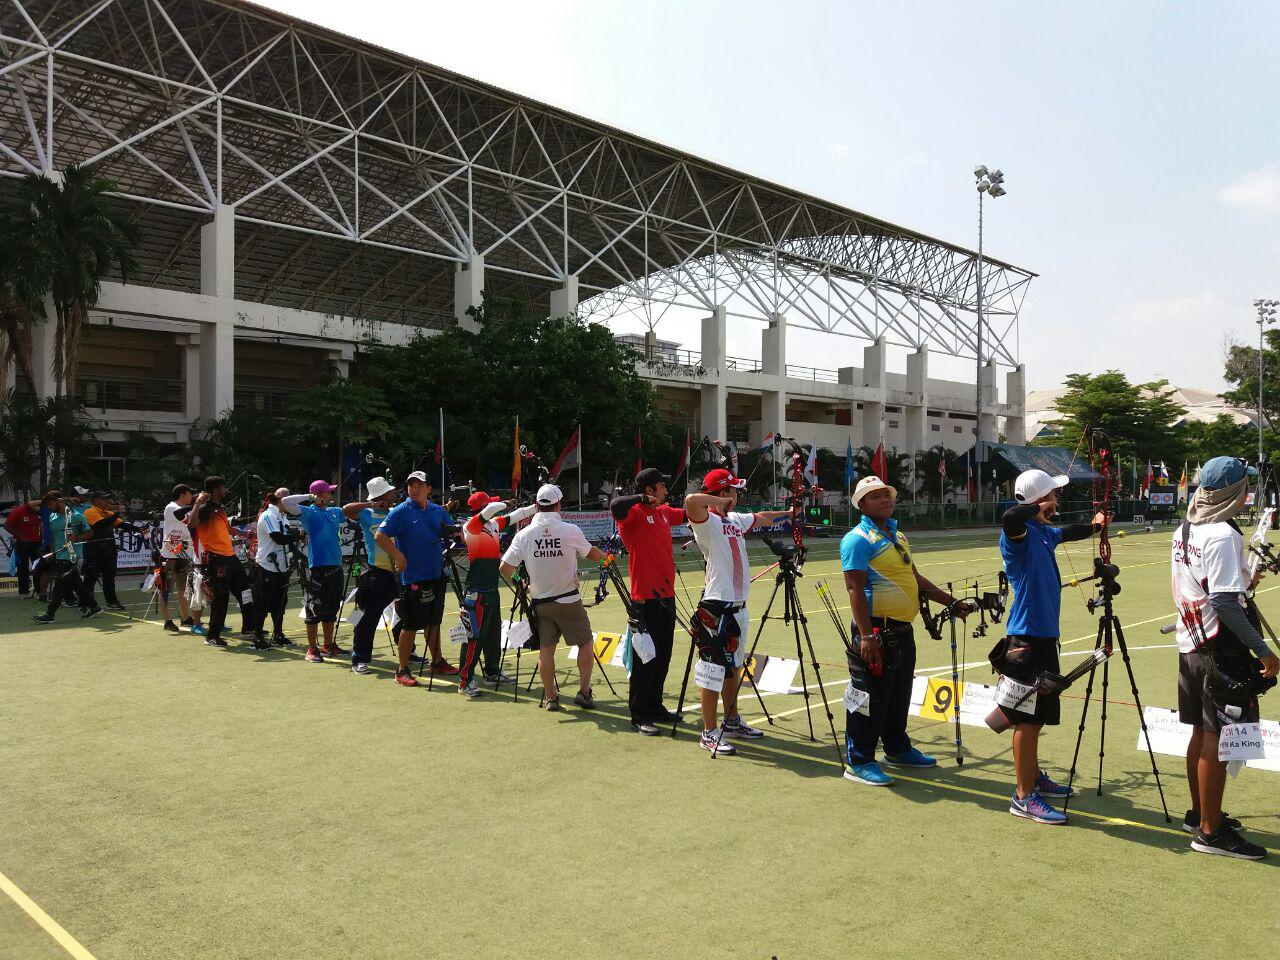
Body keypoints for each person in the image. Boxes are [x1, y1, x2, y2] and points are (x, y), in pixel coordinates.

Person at [1171, 456, 1277, 860]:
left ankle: (1200, 814)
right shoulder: (1222, 535)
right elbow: (1224, 603)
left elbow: (1204, 584)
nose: (1249, 492)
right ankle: (1210, 832)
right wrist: (1263, 649)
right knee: (1216, 739)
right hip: (1219, 649)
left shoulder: (1186, 527)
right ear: (1234, 492)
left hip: (1191, 646)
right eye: (1245, 486)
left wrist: (1245, 581)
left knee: (1200, 731)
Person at [840, 475, 973, 785]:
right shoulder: (857, 539)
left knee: (898, 696)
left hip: (902, 630)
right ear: (862, 504)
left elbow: (915, 580)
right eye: (875, 497)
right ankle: (859, 760)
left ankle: (897, 749)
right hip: (875, 631)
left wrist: (951, 602)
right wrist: (867, 635)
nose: (884, 500)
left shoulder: (897, 536)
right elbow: (854, 590)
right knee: (868, 697)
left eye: (886, 494)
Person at [996, 468, 1103, 825]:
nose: (1057, 502)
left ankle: (1034, 776)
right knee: (1026, 720)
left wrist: (1095, 526)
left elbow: (1067, 532)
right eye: (1052, 497)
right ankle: (1024, 796)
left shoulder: (1043, 532)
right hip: (1026, 639)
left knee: (1037, 717)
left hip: (1043, 637)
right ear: (1039, 500)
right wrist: (1036, 503)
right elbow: (1012, 515)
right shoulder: (1019, 535)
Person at [681, 468, 793, 754]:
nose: (737, 495)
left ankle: (731, 720)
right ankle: (708, 731)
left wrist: (791, 513)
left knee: (733, 667)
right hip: (716, 607)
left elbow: (762, 517)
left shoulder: (734, 520)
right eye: (732, 490)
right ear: (721, 494)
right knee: (712, 669)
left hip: (739, 608)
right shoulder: (706, 522)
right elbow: (691, 500)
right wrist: (717, 503)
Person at [499, 483, 606, 711]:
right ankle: (584, 693)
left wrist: (524, 585)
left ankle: (551, 698)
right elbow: (592, 553)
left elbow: (505, 568)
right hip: (568, 601)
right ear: (558, 505)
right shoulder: (570, 530)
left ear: (537, 505)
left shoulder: (524, 534)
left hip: (540, 603)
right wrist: (607, 560)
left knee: (546, 649)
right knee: (586, 643)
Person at [610, 467, 687, 735]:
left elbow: (690, 511)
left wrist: (717, 502)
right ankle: (639, 714)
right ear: (650, 490)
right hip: (644, 599)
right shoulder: (634, 513)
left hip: (667, 596)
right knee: (646, 659)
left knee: (663, 657)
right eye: (661, 487)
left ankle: (655, 706)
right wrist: (641, 500)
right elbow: (616, 505)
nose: (666, 491)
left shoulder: (664, 512)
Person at [375, 471, 458, 687]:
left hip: (435, 573)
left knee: (434, 621)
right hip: (412, 576)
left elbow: (450, 529)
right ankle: (402, 669)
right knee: (411, 624)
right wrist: (398, 555)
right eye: (411, 485)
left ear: (429, 488)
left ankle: (437, 661)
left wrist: (459, 533)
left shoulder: (437, 511)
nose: (415, 489)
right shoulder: (400, 511)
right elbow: (380, 536)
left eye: (420, 485)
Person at [456, 490, 535, 698]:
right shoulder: (470, 526)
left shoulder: (492, 525)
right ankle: (465, 681)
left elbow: (517, 515)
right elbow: (493, 509)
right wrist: (505, 504)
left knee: (492, 635)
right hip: (477, 593)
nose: (493, 506)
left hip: (491, 590)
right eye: (489, 504)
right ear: (481, 509)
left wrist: (540, 506)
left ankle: (491, 672)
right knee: (474, 637)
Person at [282, 481, 348, 663]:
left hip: (336, 567)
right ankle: (312, 648)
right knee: (312, 609)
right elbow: (287, 502)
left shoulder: (334, 511)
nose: (331, 496)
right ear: (319, 494)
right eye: (328, 493)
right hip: (318, 569)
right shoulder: (309, 512)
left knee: (332, 608)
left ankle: (328, 644)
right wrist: (310, 498)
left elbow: (351, 512)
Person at [189, 476, 256, 648]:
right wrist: (197, 503)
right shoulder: (205, 507)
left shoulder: (219, 508)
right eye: (223, 487)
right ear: (217, 489)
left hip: (230, 557)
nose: (225, 490)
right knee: (221, 597)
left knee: (245, 591)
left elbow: (227, 529)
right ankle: (212, 636)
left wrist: (246, 534)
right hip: (217, 559)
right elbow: (192, 524)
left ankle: (248, 627)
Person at [344, 477, 400, 675]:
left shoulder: (395, 512)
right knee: (368, 617)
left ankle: (407, 652)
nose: (393, 495)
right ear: (380, 496)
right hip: (377, 572)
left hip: (399, 572)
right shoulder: (367, 513)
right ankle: (359, 658)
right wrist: (372, 503)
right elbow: (346, 510)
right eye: (389, 492)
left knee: (404, 614)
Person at [31, 491, 96, 623]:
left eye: (51, 504)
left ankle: (50, 614)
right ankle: (94, 607)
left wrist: (76, 537)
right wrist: (53, 553)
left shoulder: (77, 516)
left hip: (72, 556)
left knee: (60, 585)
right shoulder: (53, 517)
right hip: (59, 555)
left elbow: (89, 533)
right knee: (77, 585)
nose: (49, 507)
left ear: (59, 501)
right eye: (47, 505)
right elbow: (55, 537)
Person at [81, 491, 145, 611]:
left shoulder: (107, 513)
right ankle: (85, 603)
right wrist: (117, 514)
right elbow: (101, 524)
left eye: (106, 499)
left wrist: (139, 529)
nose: (106, 502)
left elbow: (123, 526)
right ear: (95, 500)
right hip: (94, 550)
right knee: (90, 578)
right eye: (103, 499)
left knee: (109, 577)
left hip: (109, 549)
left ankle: (112, 602)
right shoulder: (90, 512)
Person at [157, 484, 200, 634]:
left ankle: (185, 617)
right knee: (165, 588)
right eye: (189, 494)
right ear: (182, 494)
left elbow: (191, 520)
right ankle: (167, 620)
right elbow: (180, 514)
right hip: (169, 553)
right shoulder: (171, 507)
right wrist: (197, 503)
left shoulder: (183, 510)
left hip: (182, 552)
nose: (191, 496)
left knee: (183, 588)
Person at [4, 498, 43, 599]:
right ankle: (24, 592)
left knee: (39, 566)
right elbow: (7, 526)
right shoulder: (18, 511)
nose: (38, 509)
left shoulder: (41, 511)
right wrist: (21, 536)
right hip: (22, 543)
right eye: (36, 506)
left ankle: (39, 591)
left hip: (37, 543)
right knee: (22, 568)